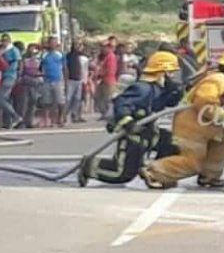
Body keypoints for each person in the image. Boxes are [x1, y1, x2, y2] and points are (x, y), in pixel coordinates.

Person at [139, 48, 224, 189]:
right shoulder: (218, 79)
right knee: (193, 162)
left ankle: (209, 176)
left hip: (204, 125)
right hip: (190, 124)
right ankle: (153, 171)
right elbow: (205, 101)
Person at [79, 51, 185, 187]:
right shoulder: (142, 88)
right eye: (170, 73)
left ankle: (157, 174)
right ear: (160, 72)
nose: (172, 76)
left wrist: (176, 92)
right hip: (133, 135)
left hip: (149, 133)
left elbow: (163, 104)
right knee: (122, 174)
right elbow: (122, 103)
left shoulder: (156, 89)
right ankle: (89, 166)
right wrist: (128, 122)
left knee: (173, 143)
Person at [0, 35, 23, 128]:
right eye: (2, 40)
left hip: (10, 76)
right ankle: (8, 121)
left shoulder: (13, 50)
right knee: (5, 99)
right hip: (2, 76)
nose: (4, 42)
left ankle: (16, 116)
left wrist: (19, 75)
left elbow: (19, 63)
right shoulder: (3, 51)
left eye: (6, 40)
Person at [41, 36, 67, 127]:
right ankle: (47, 119)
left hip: (58, 79)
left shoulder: (60, 54)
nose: (52, 44)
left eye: (54, 42)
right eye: (51, 42)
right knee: (46, 102)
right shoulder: (44, 55)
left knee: (60, 101)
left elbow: (64, 68)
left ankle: (60, 118)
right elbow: (41, 67)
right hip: (47, 80)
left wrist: (66, 81)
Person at [19, 43, 44, 128]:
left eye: (35, 49)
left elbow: (40, 70)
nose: (33, 50)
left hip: (35, 82)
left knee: (33, 102)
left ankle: (29, 121)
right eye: (31, 48)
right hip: (26, 81)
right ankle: (22, 122)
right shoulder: (24, 59)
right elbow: (21, 70)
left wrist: (40, 75)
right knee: (24, 103)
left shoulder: (38, 59)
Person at [95, 38, 118, 119]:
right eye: (101, 47)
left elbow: (110, 70)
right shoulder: (104, 57)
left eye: (104, 47)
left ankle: (109, 114)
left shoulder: (111, 57)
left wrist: (100, 73)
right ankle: (104, 113)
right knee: (99, 97)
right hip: (102, 80)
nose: (102, 49)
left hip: (108, 80)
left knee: (107, 98)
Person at [65, 41, 87, 123]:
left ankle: (74, 115)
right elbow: (65, 67)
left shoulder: (80, 56)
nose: (78, 47)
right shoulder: (68, 56)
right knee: (68, 99)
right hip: (71, 79)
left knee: (77, 99)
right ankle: (64, 115)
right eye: (76, 45)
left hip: (79, 80)